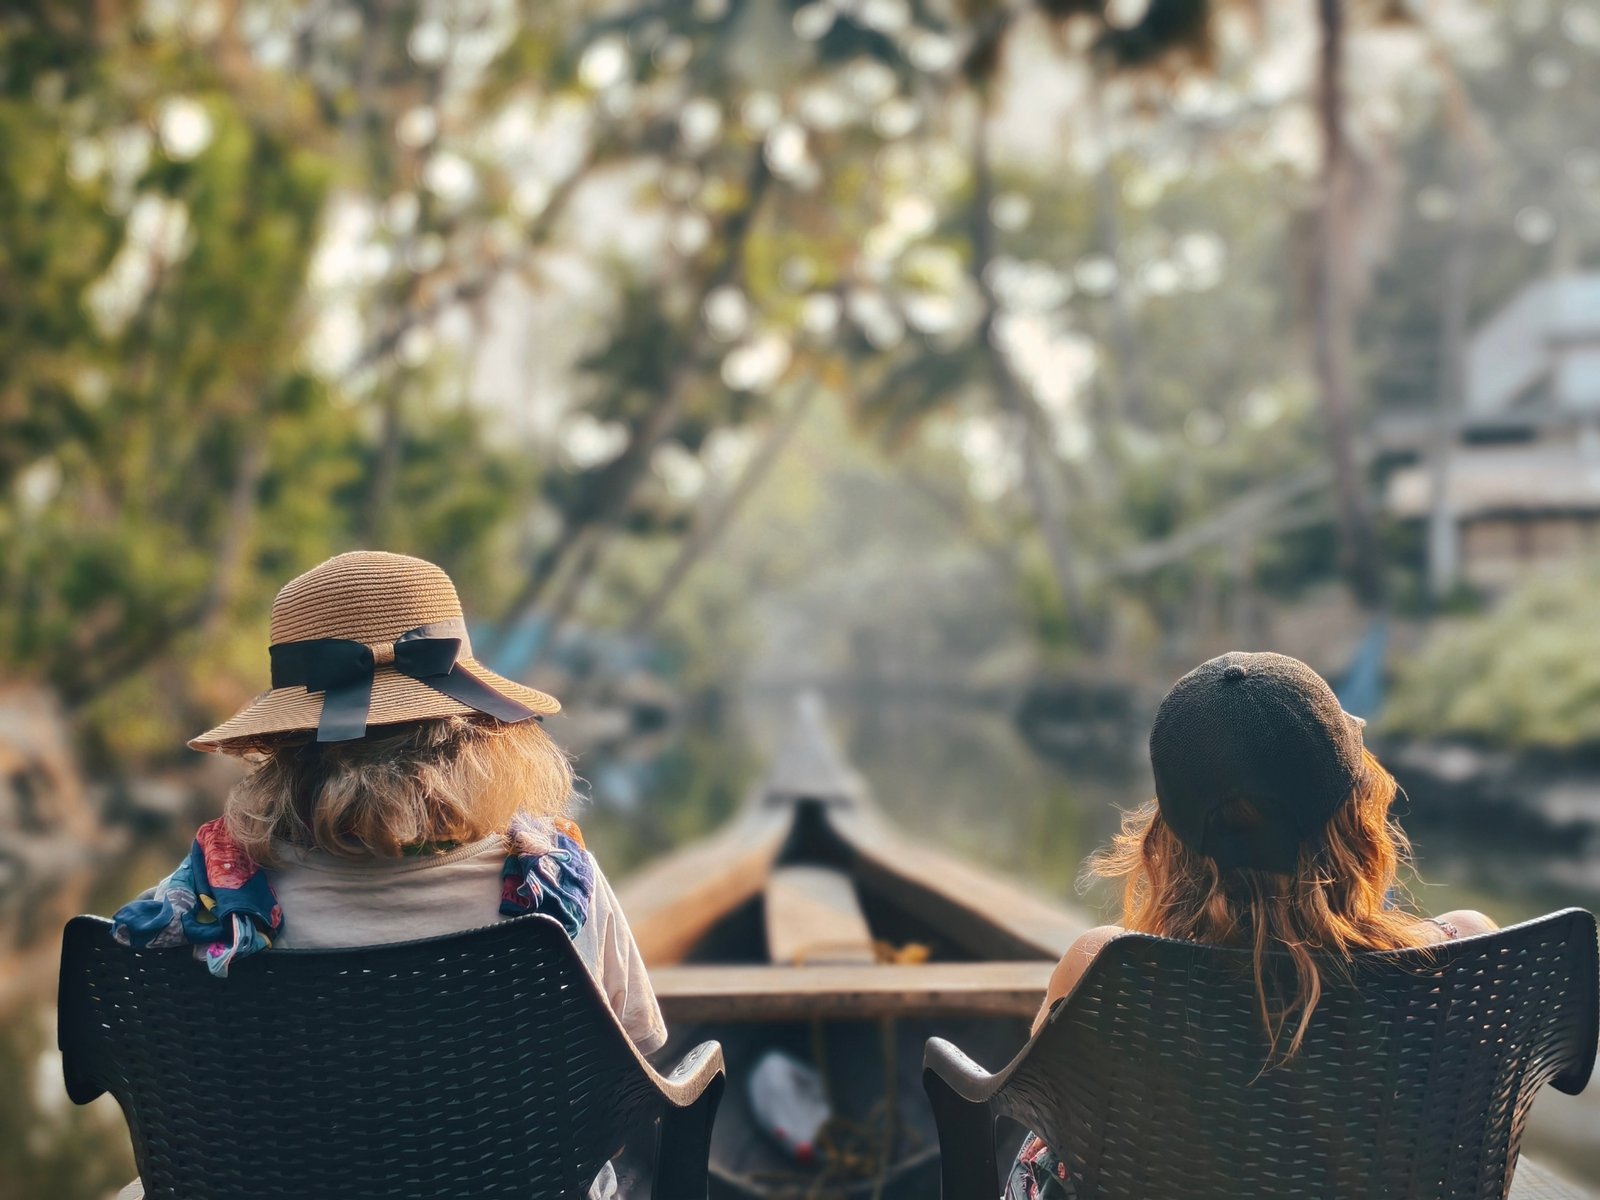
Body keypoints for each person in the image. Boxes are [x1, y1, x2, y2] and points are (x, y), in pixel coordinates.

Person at [111, 551, 663, 1200]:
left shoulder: (211, 895)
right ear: (479, 730)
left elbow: (139, 1039)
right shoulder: (556, 883)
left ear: (282, 746)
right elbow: (632, 1063)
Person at [1003, 651, 1496, 1200]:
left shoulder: (1111, 968)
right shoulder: (1469, 954)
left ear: (1167, 835)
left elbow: (1040, 1098)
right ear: (1357, 813)